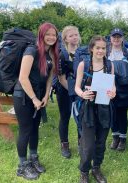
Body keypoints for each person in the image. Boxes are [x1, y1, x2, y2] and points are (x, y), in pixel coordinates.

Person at [13, 22, 59, 180]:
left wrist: (46, 96)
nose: (52, 37)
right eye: (48, 34)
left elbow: (49, 78)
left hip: (39, 98)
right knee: (25, 130)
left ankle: (33, 159)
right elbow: (23, 77)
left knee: (34, 129)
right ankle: (22, 165)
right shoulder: (31, 50)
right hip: (24, 97)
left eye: (54, 34)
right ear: (41, 35)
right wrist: (34, 98)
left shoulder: (50, 54)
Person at [75, 36, 116, 183]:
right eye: (97, 47)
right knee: (88, 145)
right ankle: (84, 171)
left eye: (103, 48)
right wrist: (83, 94)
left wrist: (113, 92)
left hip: (105, 107)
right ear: (91, 48)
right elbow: (76, 87)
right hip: (88, 109)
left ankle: (96, 168)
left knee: (101, 142)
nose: (100, 50)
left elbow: (113, 85)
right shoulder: (83, 65)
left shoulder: (109, 64)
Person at [107, 28, 128, 151]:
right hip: (109, 87)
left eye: (119, 36)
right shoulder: (106, 52)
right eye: (114, 37)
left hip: (124, 88)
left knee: (122, 114)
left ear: (122, 38)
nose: (116, 39)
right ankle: (115, 136)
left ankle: (123, 138)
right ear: (110, 38)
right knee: (112, 114)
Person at [57, 26, 81, 158]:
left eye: (76, 34)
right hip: (65, 90)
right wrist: (74, 91)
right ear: (65, 38)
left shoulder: (83, 52)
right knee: (65, 117)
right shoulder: (62, 54)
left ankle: (81, 142)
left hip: (79, 91)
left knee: (80, 117)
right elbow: (61, 78)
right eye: (71, 35)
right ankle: (64, 144)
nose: (74, 37)